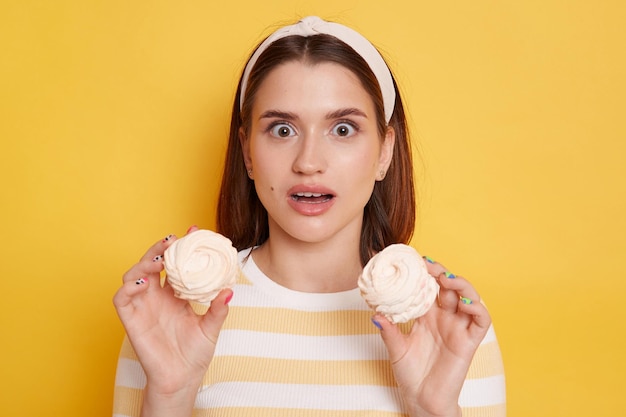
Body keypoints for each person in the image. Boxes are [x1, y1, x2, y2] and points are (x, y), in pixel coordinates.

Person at [112, 16, 506, 417]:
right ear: (248, 152)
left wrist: (432, 408)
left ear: (384, 152)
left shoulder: (448, 325)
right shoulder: (171, 318)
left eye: (343, 129)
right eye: (282, 130)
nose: (309, 162)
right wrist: (168, 396)